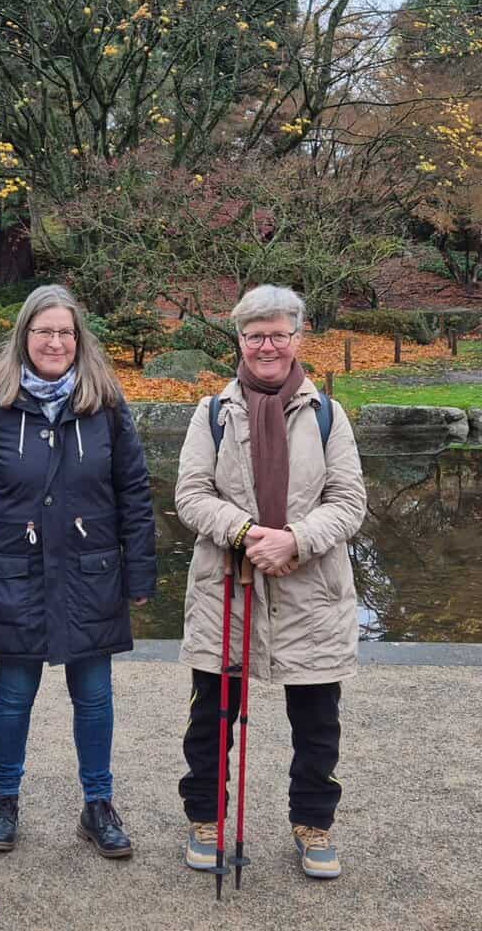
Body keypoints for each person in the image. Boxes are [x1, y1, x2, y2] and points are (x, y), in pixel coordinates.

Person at [0, 284, 157, 858]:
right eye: (44, 331)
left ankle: (98, 804)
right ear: (25, 336)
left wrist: (139, 576)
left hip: (91, 573)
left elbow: (134, 494)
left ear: (79, 339)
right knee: (13, 695)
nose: (55, 341)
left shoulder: (106, 405)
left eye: (65, 332)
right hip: (13, 573)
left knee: (94, 696)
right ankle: (4, 799)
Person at [174, 284, 367, 880]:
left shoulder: (327, 414)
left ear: (298, 340)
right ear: (240, 340)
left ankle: (313, 823)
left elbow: (348, 500)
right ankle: (206, 817)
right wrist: (246, 533)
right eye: (255, 335)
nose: (267, 346)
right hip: (226, 592)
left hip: (312, 593)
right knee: (212, 718)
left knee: (316, 723)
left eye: (279, 334)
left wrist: (297, 540)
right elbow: (191, 495)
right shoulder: (212, 411)